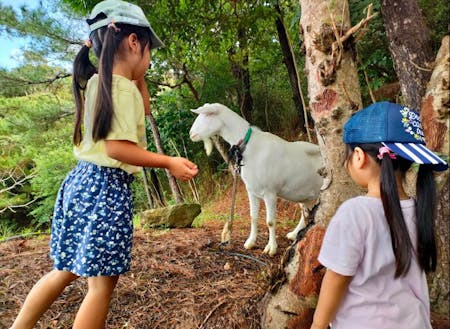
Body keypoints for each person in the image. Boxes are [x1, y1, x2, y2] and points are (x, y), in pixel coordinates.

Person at [11, 1, 198, 328]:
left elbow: (146, 108)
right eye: (149, 50)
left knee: (64, 270)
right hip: (104, 189)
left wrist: (140, 75)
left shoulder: (102, 82)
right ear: (134, 42)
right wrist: (167, 161)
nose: (150, 61)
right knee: (101, 286)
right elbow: (117, 148)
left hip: (82, 185)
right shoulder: (118, 88)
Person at [311, 101, 448, 329]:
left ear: (358, 156)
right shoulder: (418, 210)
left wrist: (317, 325)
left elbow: (336, 279)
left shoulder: (354, 213)